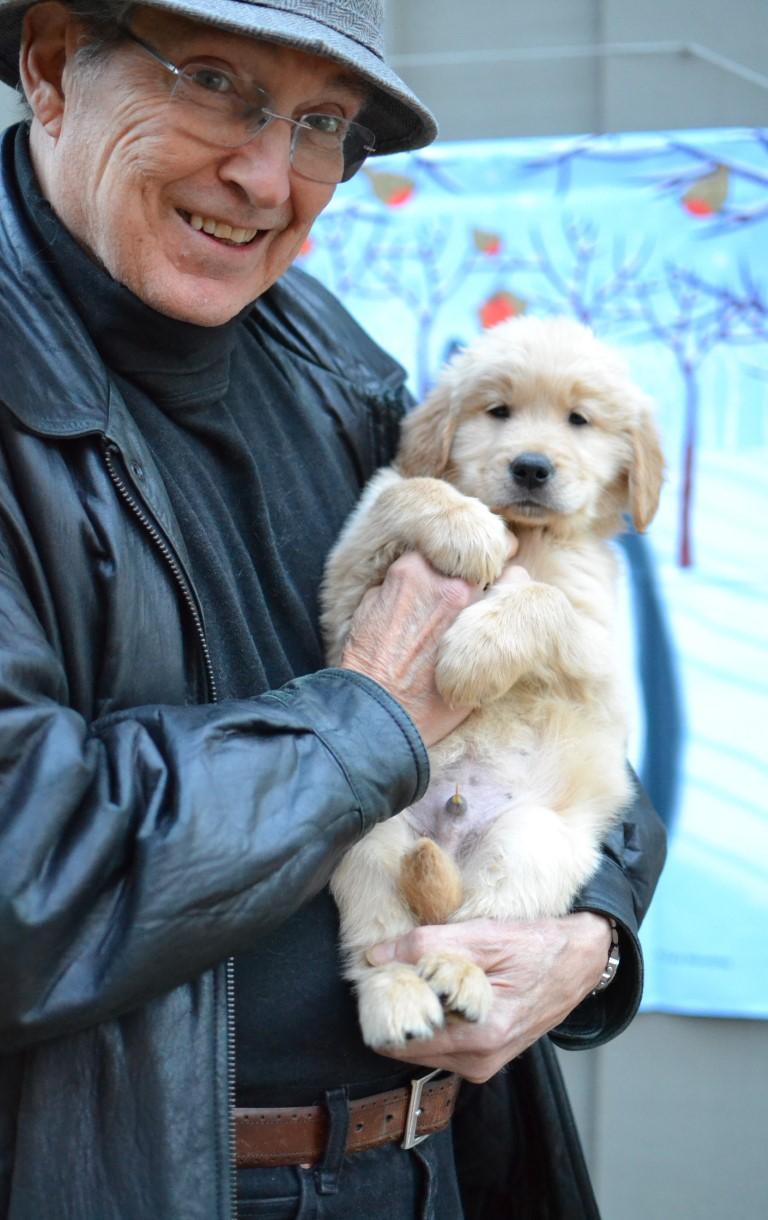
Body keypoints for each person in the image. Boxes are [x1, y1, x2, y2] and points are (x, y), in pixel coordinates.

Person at [0, 2, 666, 1217]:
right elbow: (21, 871)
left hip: (434, 1159)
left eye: (322, 124)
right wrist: (367, 717)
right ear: (50, 66)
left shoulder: (335, 359)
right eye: (212, 81)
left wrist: (592, 937)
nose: (266, 177)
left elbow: (556, 687)